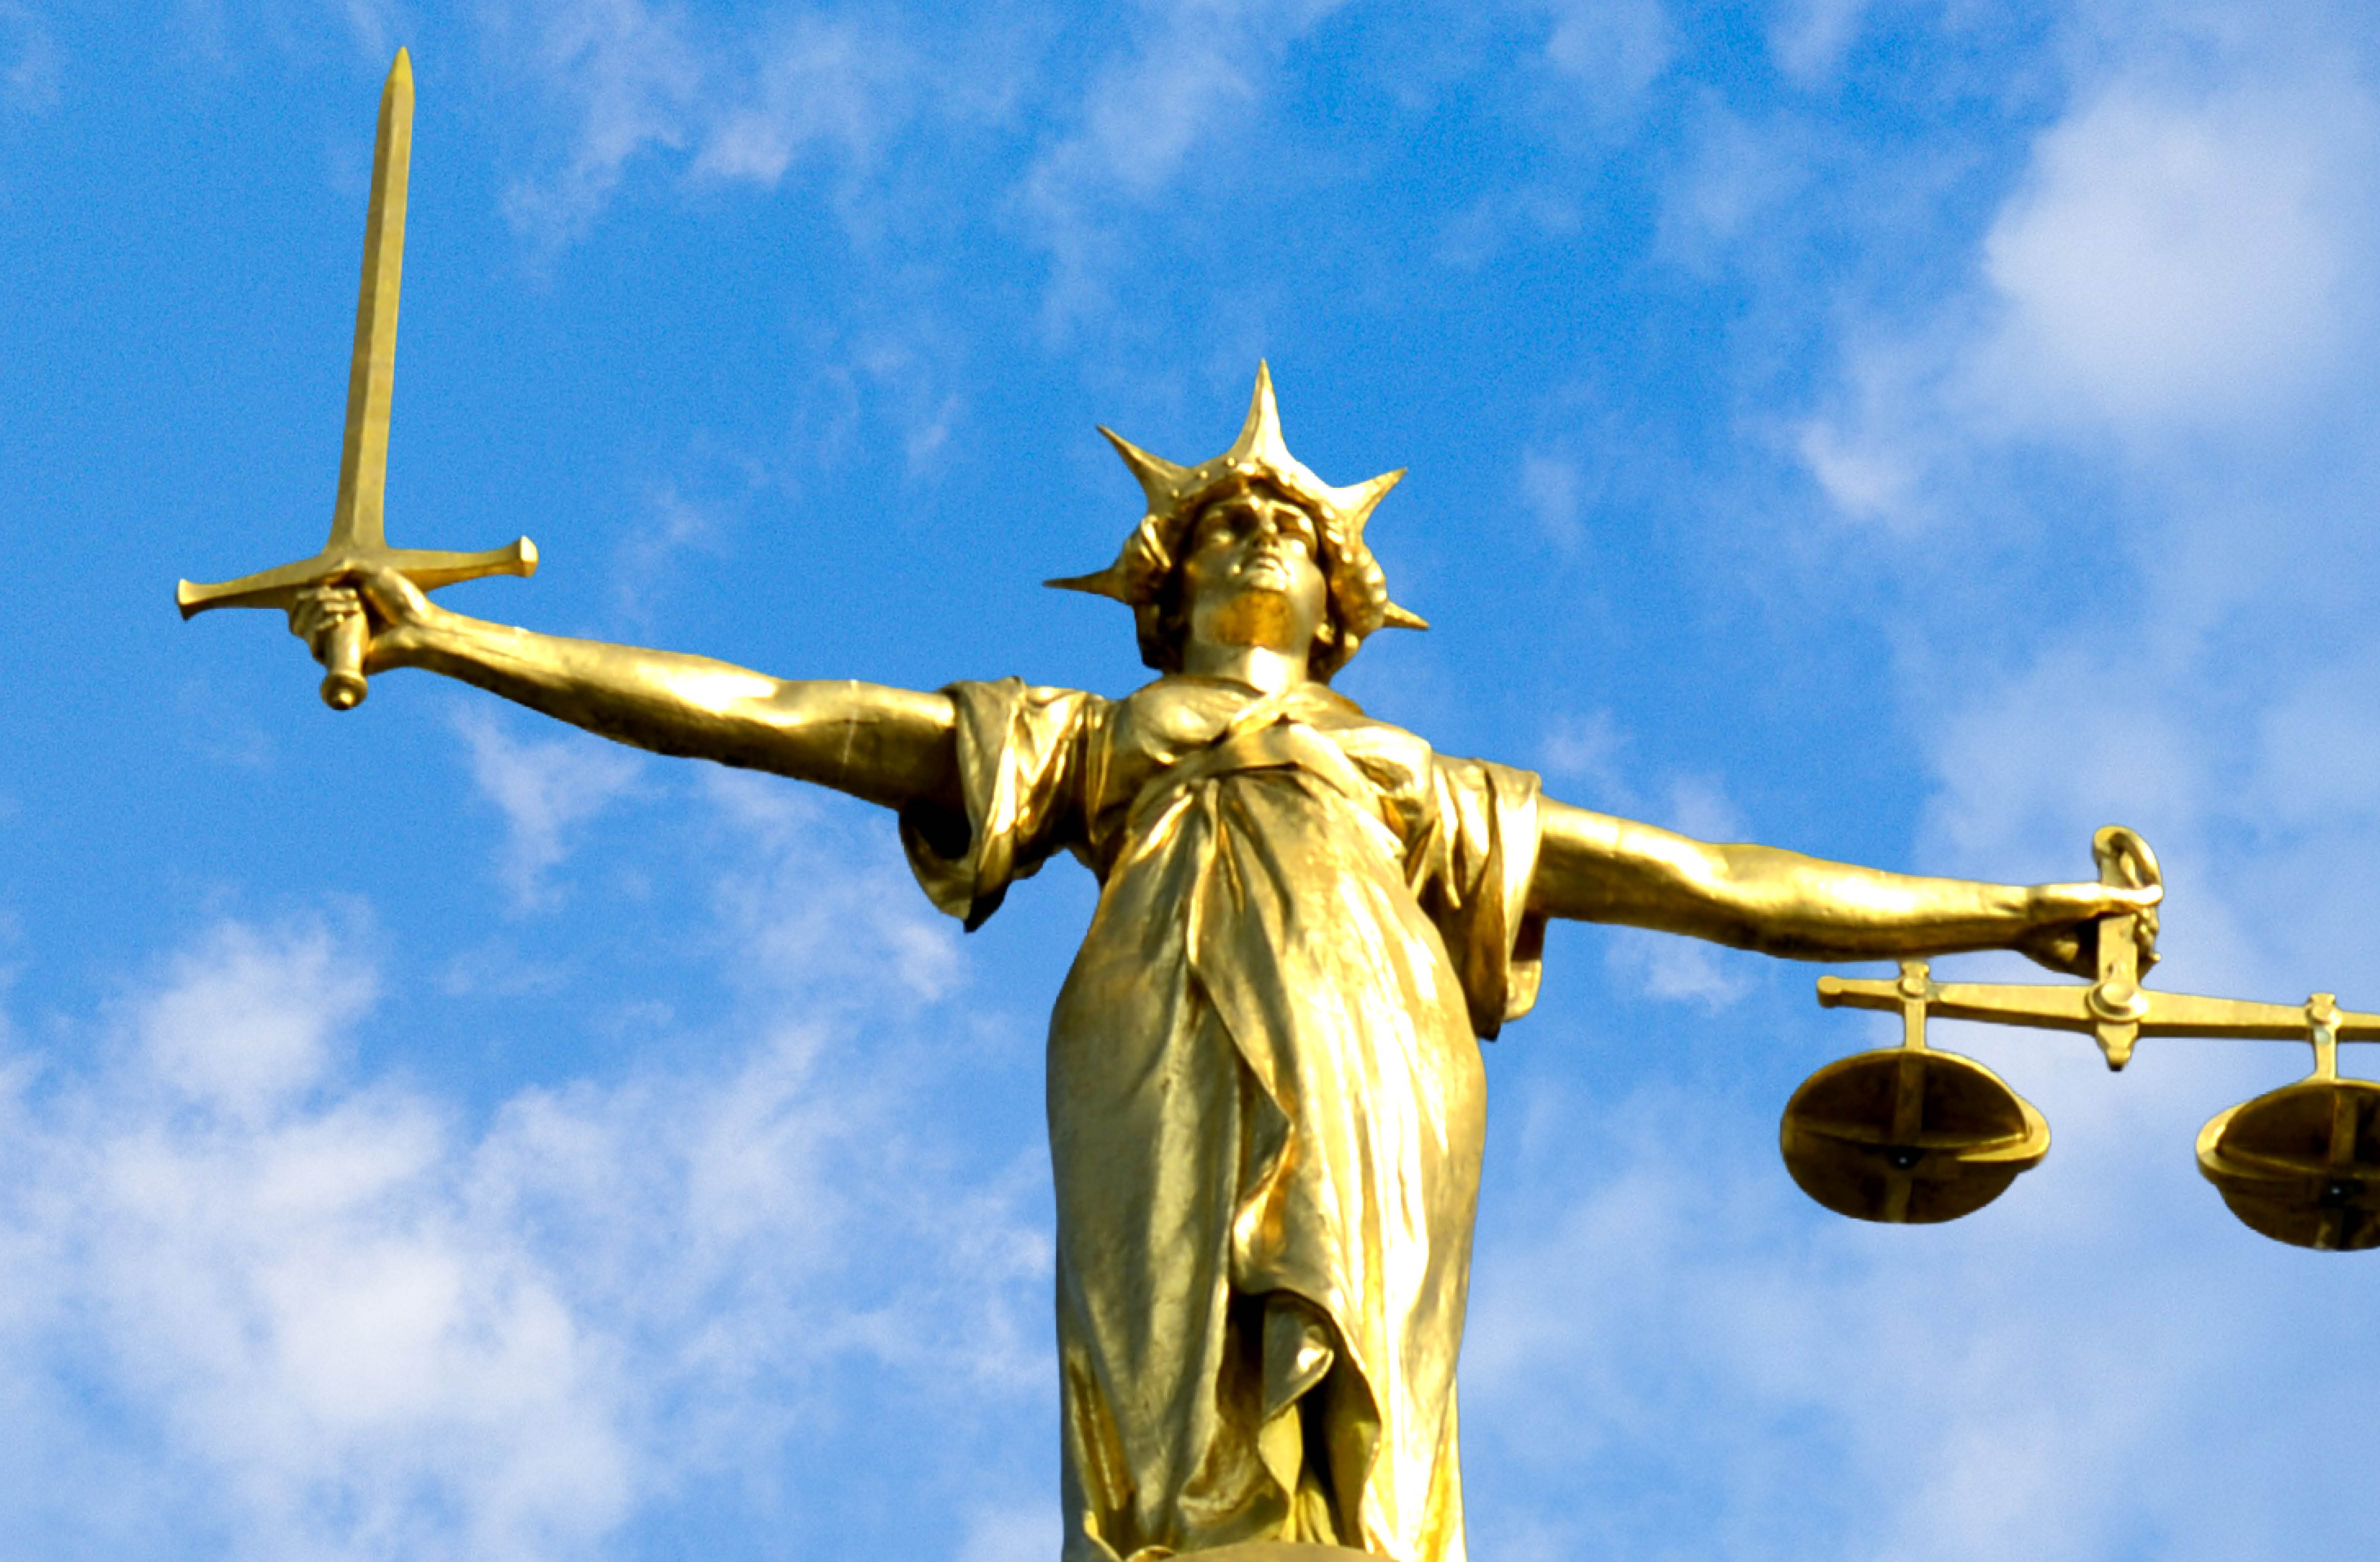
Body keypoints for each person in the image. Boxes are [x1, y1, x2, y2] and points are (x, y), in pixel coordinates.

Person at [291, 366, 2155, 1562]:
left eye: (1290, 523)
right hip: (1149, 1030)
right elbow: (779, 717)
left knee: (1375, 1396)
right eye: (1222, 520)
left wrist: (2000, 914)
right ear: (1161, 581)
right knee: (1165, 1353)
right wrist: (460, 647)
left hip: (1379, 1052)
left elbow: (1716, 880)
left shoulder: (1421, 787)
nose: (1259, 524)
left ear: (1349, 603)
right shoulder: (1090, 745)